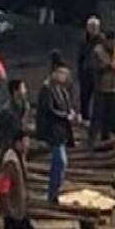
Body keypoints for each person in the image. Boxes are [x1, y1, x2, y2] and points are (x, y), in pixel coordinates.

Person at [0, 131, 54, 229]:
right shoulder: (10, 162)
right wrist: (7, 207)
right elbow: (3, 186)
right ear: (18, 143)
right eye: (25, 142)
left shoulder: (20, 156)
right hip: (13, 207)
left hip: (19, 206)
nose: (27, 145)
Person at [36, 62, 75, 203]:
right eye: (62, 73)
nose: (64, 77)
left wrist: (70, 112)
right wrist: (65, 116)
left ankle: (55, 191)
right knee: (60, 161)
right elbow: (49, 110)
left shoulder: (61, 89)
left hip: (61, 131)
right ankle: (53, 193)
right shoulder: (47, 89)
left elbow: (66, 105)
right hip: (52, 130)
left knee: (60, 163)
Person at [91, 32, 115, 143]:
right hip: (101, 87)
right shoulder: (98, 51)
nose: (111, 43)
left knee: (110, 113)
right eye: (109, 41)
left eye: (113, 41)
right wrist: (108, 66)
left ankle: (105, 135)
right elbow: (94, 68)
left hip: (113, 86)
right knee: (98, 113)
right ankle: (93, 136)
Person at [76, 16, 103, 122]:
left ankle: (97, 118)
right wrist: (80, 71)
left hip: (98, 72)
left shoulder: (102, 41)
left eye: (95, 27)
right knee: (84, 96)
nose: (93, 30)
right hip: (86, 72)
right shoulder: (84, 40)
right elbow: (80, 57)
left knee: (99, 97)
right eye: (91, 27)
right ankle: (85, 116)